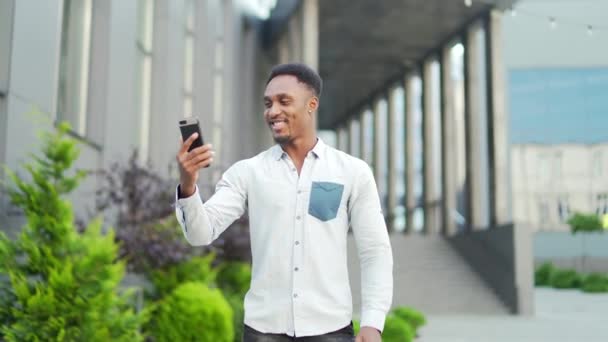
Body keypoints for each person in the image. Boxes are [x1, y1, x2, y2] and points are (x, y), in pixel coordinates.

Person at [175, 63, 393, 342]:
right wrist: (188, 184)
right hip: (263, 331)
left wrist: (373, 322)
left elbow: (375, 251)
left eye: (284, 101)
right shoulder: (247, 172)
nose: (273, 111)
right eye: (268, 103)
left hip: (331, 330)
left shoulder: (352, 172)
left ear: (311, 104)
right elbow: (200, 234)